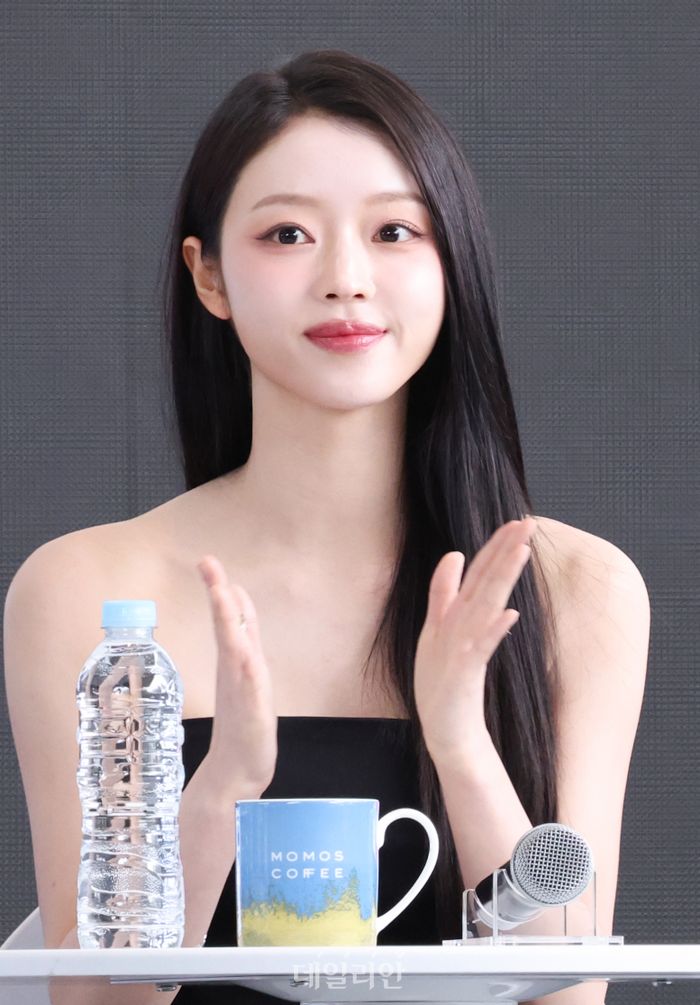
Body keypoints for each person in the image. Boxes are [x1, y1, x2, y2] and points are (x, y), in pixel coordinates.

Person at [3, 49, 650, 1005]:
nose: (346, 278)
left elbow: (568, 995)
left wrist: (461, 741)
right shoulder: (88, 592)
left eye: (394, 231)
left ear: (452, 261)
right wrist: (221, 788)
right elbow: (92, 1001)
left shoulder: (576, 588)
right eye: (288, 234)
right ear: (209, 276)